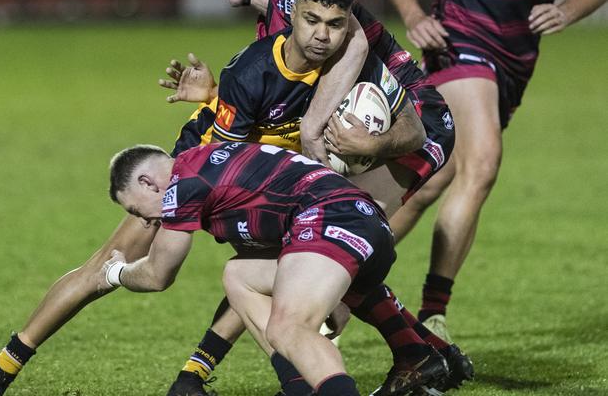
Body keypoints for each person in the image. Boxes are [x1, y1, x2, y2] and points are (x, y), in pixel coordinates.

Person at [0, 0, 469, 396]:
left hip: (402, 126)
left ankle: (399, 355)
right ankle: (418, 353)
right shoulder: (265, 40)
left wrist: (314, 130)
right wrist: (218, 96)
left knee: (325, 247)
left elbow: (355, 38)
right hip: (245, 145)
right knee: (314, 249)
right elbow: (271, 90)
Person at [378, 0, 608, 342]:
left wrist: (568, 10)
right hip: (459, 41)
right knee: (482, 163)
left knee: (432, 177)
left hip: (516, 58)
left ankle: (336, 266)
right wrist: (413, 18)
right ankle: (433, 315)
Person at [103, 141, 450, 396]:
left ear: (148, 182)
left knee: (289, 327)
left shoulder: (182, 183)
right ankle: (311, 384)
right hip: (362, 225)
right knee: (238, 275)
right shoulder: (211, 161)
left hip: (330, 221)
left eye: (136, 210)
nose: (145, 221)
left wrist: (116, 271)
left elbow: (158, 274)